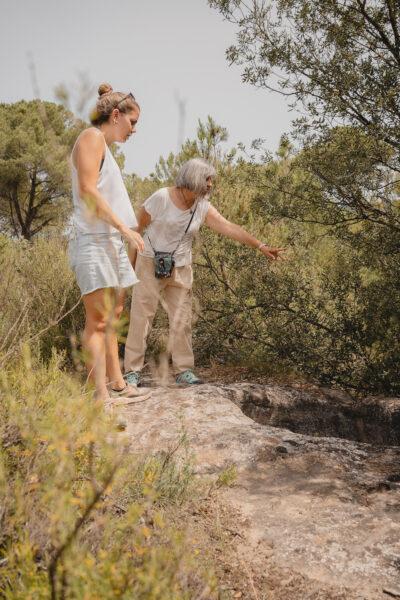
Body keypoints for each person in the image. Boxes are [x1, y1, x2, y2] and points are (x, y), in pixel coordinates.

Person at [124, 157, 284, 386]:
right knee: (141, 318)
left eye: (211, 180)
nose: (210, 184)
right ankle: (131, 372)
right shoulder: (161, 197)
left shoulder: (202, 206)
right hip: (149, 263)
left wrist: (260, 245)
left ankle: (183, 371)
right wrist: (129, 267)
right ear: (193, 178)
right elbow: (135, 230)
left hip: (181, 267)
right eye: (207, 179)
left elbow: (228, 226)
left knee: (182, 319)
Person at [69, 82, 149, 404]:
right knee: (99, 320)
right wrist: (125, 229)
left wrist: (122, 234)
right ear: (116, 115)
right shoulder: (90, 138)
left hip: (110, 241)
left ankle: (117, 383)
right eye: (133, 123)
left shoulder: (104, 146)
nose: (134, 130)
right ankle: (98, 396)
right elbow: (89, 191)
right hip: (92, 240)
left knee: (114, 316)